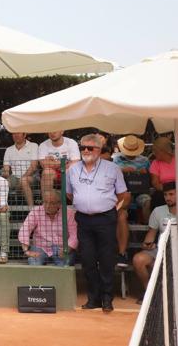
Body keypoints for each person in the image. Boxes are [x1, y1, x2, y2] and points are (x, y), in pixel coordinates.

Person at [67, 134, 129, 313]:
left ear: (99, 150)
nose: (85, 151)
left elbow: (122, 194)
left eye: (90, 148)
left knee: (107, 259)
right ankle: (93, 298)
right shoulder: (72, 169)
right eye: (82, 148)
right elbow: (70, 194)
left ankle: (107, 298)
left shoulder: (112, 168)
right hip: (83, 219)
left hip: (106, 218)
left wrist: (105, 206)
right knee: (87, 260)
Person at [132, 182, 177, 304]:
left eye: (172, 194)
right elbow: (150, 235)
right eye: (166, 195)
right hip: (162, 248)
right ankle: (149, 293)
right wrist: (147, 244)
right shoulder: (158, 211)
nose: (168, 198)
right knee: (138, 259)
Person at [113, 135, 151, 268]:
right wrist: (122, 170)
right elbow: (111, 173)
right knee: (121, 213)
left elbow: (149, 178)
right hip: (122, 194)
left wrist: (144, 172)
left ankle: (146, 236)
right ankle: (122, 251)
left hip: (140, 192)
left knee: (147, 202)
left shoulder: (145, 160)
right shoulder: (115, 159)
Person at [18, 190, 78, 266]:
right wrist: (26, 250)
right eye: (45, 202)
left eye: (52, 203)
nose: (47, 206)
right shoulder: (36, 211)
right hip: (40, 247)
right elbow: (25, 229)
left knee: (64, 266)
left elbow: (75, 234)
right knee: (34, 263)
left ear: (59, 204)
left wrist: (67, 249)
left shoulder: (69, 213)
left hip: (62, 247)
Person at [2, 132, 39, 208]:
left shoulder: (33, 146)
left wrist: (21, 180)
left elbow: (34, 166)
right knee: (2, 183)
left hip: (31, 177)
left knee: (24, 181)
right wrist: (5, 174)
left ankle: (31, 210)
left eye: (18, 133)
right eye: (14, 134)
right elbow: (6, 168)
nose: (16, 136)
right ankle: (2, 209)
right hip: (14, 177)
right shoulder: (9, 149)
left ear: (24, 135)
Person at [150, 136, 175, 210]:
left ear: (163, 151)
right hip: (164, 190)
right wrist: (169, 191)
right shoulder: (155, 163)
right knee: (158, 197)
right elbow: (155, 184)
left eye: (155, 151)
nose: (153, 153)